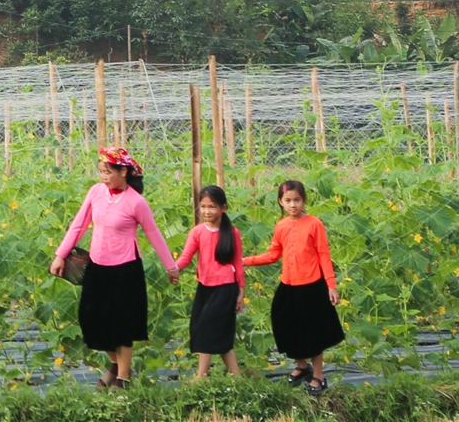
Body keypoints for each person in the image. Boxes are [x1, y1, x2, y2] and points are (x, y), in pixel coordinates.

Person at [49, 146, 179, 389]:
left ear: (124, 172)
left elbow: (154, 234)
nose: (104, 177)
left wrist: (171, 267)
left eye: (108, 172)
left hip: (125, 270)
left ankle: (123, 380)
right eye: (101, 172)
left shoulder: (136, 202)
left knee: (121, 327)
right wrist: (60, 255)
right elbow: (78, 225)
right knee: (91, 320)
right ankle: (116, 365)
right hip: (98, 267)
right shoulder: (96, 193)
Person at [243, 179, 344, 395]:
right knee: (283, 324)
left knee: (313, 332)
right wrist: (244, 260)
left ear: (304, 200)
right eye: (288, 200)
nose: (293, 205)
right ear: (280, 202)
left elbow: (324, 256)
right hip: (288, 285)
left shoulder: (314, 224)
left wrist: (331, 286)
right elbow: (273, 254)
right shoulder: (281, 225)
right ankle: (302, 365)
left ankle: (319, 376)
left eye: (297, 200)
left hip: (312, 286)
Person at [175, 185, 245, 378]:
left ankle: (201, 376)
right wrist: (174, 269)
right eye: (203, 206)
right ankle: (237, 376)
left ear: (223, 208)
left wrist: (241, 291)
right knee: (215, 333)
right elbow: (186, 256)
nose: (206, 211)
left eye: (212, 207)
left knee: (205, 328)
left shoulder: (232, 233)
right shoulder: (198, 232)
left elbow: (237, 263)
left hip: (225, 289)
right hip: (205, 288)